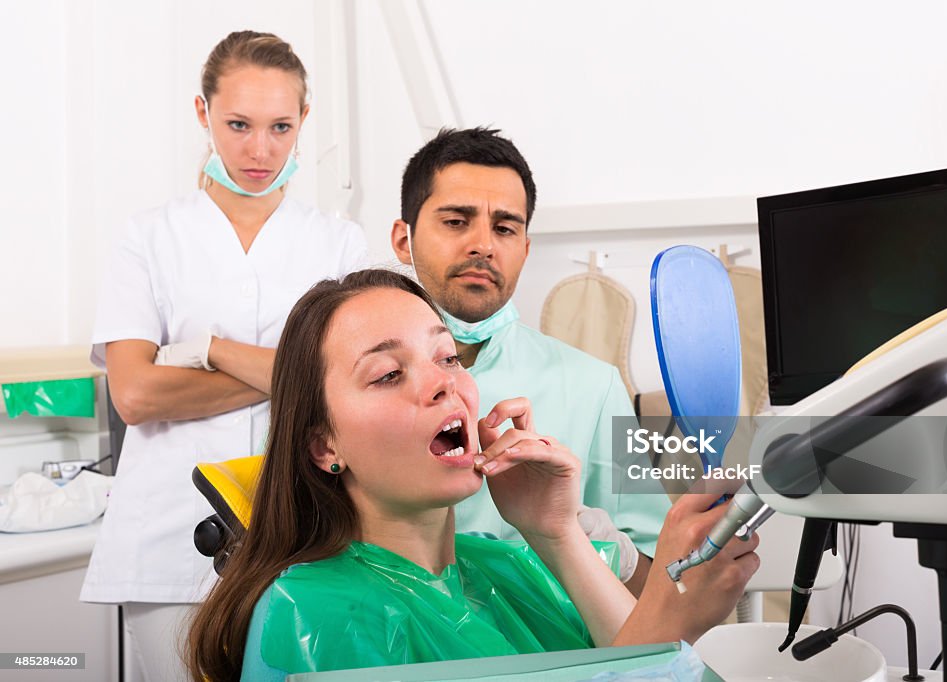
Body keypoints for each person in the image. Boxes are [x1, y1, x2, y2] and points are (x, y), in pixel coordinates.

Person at [185, 269, 760, 682]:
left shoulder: (504, 563)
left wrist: (554, 531)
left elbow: (616, 661)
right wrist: (666, 623)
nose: (444, 384)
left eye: (448, 358)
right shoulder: (317, 616)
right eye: (387, 374)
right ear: (324, 445)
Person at [80, 30, 367, 681]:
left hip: (306, 531)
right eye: (238, 124)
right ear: (202, 113)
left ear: (304, 123)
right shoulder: (150, 236)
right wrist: (297, 373)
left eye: (280, 126)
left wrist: (207, 350)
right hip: (169, 542)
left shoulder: (339, 245)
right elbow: (136, 395)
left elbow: (351, 384)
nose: (259, 149)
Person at [390, 127, 669, 594]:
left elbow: (661, 585)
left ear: (524, 247)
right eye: (456, 221)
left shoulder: (594, 388)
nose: (483, 244)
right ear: (404, 239)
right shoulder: (345, 379)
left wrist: (595, 542)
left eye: (504, 228)